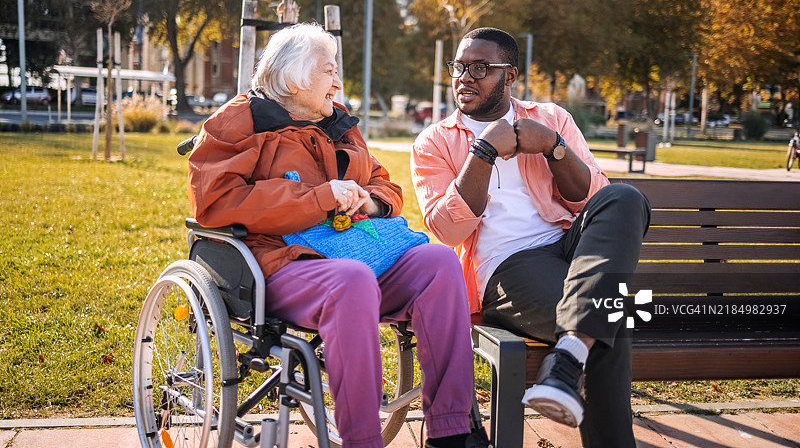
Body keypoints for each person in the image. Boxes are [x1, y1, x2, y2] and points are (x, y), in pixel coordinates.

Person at [188, 23, 481, 448]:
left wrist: (371, 202)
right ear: (293, 78)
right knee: (351, 280)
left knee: (439, 263)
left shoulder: (338, 122)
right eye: (328, 71)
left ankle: (451, 429)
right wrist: (318, 199)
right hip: (280, 261)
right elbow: (216, 202)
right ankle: (362, 440)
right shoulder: (238, 122)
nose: (338, 83)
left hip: (355, 249)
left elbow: (383, 183)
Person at [411, 27, 651, 448]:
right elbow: (447, 230)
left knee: (626, 197)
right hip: (507, 265)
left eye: (480, 68)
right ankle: (573, 351)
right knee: (611, 317)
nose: (464, 77)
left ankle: (569, 351)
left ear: (509, 75)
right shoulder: (435, 141)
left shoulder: (552, 118)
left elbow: (594, 197)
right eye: (459, 67)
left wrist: (554, 147)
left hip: (570, 250)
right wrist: (483, 152)